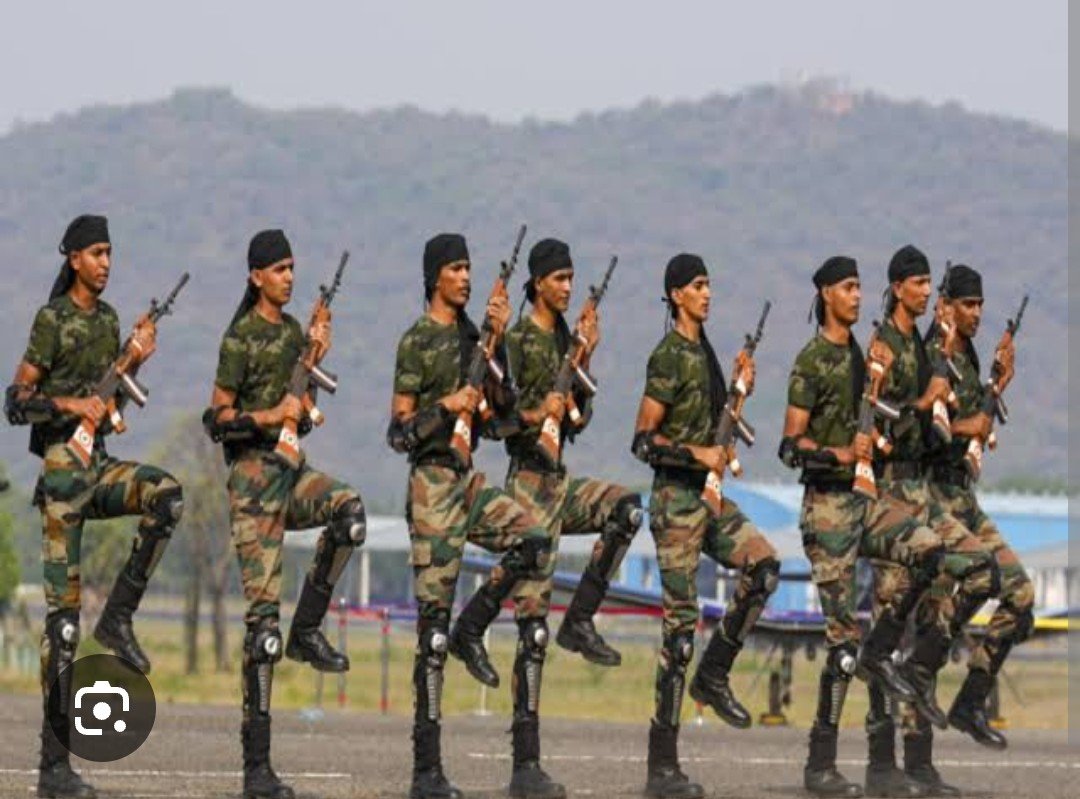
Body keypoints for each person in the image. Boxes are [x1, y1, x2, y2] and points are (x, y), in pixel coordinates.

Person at [5, 215, 182, 798]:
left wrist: (135, 361)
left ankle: (119, 616)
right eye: (97, 253)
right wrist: (71, 406)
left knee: (166, 495)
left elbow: (108, 408)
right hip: (62, 478)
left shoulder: (108, 321)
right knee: (62, 627)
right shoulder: (52, 320)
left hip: (99, 468)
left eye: (110, 253)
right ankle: (53, 768)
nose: (106, 263)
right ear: (74, 258)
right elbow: (17, 400)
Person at [387, 233, 552, 799]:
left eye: (469, 269)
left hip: (469, 482)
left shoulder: (476, 338)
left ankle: (473, 625)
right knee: (429, 637)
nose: (466, 277)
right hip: (431, 485)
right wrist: (447, 406)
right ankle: (426, 770)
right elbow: (399, 432)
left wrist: (496, 348)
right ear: (435, 275)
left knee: (533, 540)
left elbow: (504, 420)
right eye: (456, 268)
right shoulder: (417, 341)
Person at [205, 229, 366, 799]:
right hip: (254, 485)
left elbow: (306, 415)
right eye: (279, 269)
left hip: (293, 475)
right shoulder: (239, 338)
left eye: (292, 268)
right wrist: (271, 414)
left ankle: (309, 629)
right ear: (256, 277)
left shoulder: (296, 331)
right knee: (261, 630)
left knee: (349, 513)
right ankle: (257, 767)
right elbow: (217, 418)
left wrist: (315, 358)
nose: (289, 278)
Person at [631, 253, 780, 798]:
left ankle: (714, 673)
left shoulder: (706, 353)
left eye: (709, 284)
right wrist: (698, 454)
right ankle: (661, 765)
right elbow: (643, 440)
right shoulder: (668, 356)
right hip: (675, 503)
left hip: (709, 502)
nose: (707, 293)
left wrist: (739, 393)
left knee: (764, 567)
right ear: (676, 295)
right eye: (697, 285)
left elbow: (716, 429)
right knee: (679, 632)